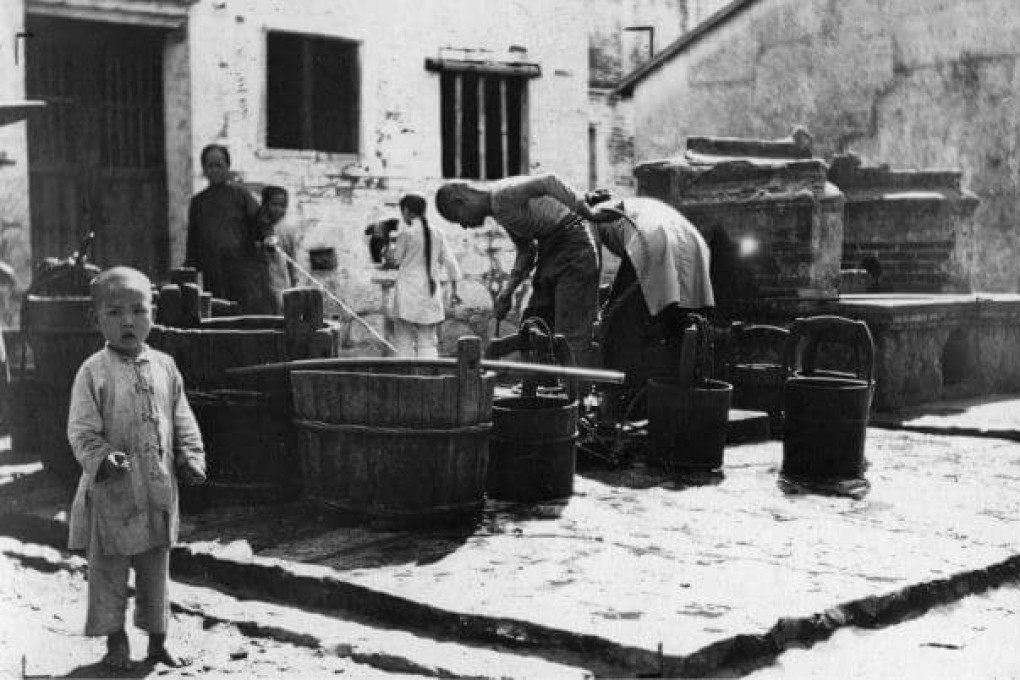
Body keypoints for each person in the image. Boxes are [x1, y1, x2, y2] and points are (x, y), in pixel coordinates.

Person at [67, 266, 206, 670]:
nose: (128, 321)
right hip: (113, 492)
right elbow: (80, 429)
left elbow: (183, 418)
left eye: (138, 310)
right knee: (109, 569)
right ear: (95, 320)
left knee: (155, 567)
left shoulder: (165, 366)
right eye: (113, 312)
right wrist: (100, 456)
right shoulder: (93, 371)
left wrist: (191, 455)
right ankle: (115, 642)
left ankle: (158, 641)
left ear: (153, 313)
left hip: (157, 488)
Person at [435, 173, 615, 367]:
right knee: (535, 323)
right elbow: (527, 250)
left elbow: (549, 181)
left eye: (458, 219)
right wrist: (508, 290)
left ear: (459, 201)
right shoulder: (499, 210)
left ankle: (577, 392)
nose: (464, 226)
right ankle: (544, 386)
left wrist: (588, 212)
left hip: (573, 249)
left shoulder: (503, 194)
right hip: (551, 251)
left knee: (570, 334)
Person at [386, 192, 463, 358]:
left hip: (408, 291)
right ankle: (428, 377)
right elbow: (451, 264)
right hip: (430, 291)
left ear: (406, 210)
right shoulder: (437, 232)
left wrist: (388, 251)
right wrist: (455, 291)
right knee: (428, 340)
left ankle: (406, 378)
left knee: (404, 339)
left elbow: (396, 259)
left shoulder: (406, 233)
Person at [183, 144, 259, 301]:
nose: (215, 170)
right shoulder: (198, 202)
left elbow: (259, 223)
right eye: (210, 166)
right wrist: (188, 270)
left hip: (241, 270)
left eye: (219, 165)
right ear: (204, 169)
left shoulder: (242, 196)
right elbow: (193, 240)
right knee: (218, 310)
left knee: (242, 313)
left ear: (227, 166)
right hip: (213, 270)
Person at [234, 185, 298, 314]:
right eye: (274, 204)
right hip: (260, 289)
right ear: (265, 205)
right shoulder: (257, 230)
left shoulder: (287, 232)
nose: (279, 209)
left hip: (282, 286)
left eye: (283, 205)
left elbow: (292, 262)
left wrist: (294, 283)